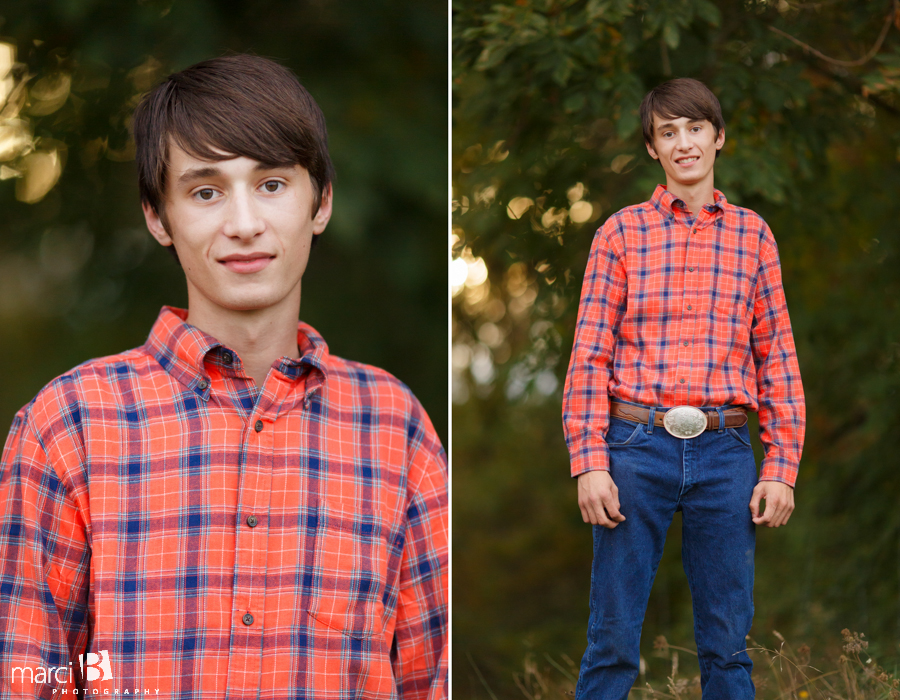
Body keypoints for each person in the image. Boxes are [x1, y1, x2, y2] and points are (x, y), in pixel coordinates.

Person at [0, 54, 447, 699]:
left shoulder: (393, 428)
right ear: (159, 217)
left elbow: (431, 680)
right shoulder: (70, 423)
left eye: (272, 184)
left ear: (320, 202)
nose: (243, 224)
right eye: (206, 191)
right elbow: (32, 677)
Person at [562, 78, 805, 699]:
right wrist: (589, 462)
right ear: (653, 149)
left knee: (727, 648)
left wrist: (781, 467)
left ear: (717, 138)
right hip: (635, 446)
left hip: (726, 453)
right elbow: (589, 356)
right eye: (667, 132)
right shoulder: (620, 234)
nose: (683, 143)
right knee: (612, 642)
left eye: (694, 128)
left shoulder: (754, 236)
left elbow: (776, 355)